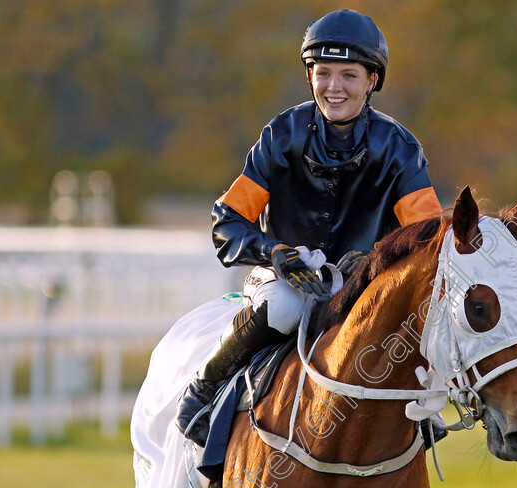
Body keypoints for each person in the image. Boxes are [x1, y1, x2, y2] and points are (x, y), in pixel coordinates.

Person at [175, 9, 443, 447]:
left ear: (373, 80)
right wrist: (275, 253)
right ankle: (204, 387)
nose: (334, 87)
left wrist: (376, 261)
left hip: (360, 287)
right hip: (284, 278)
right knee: (283, 307)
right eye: (323, 73)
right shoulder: (281, 135)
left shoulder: (399, 149)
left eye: (349, 75)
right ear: (310, 75)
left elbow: (430, 237)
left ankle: (419, 409)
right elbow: (227, 219)